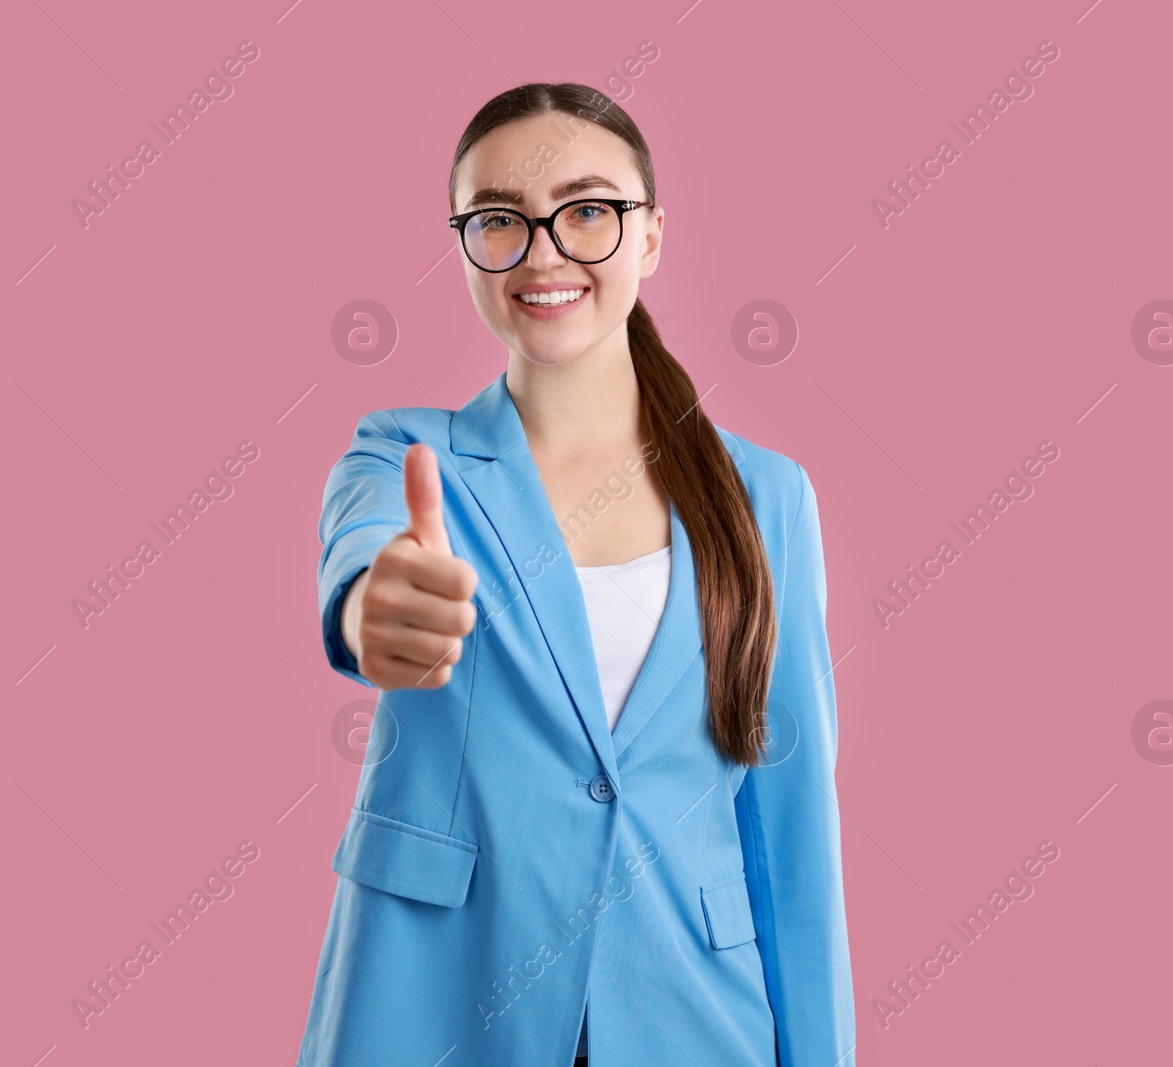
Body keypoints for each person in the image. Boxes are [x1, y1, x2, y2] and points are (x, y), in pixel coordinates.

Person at [298, 82, 855, 1067]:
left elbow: (792, 817)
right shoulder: (399, 457)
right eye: (500, 220)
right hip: (438, 999)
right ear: (464, 245)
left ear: (648, 236)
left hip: (694, 1009)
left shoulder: (768, 496)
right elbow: (366, 558)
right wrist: (374, 607)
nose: (543, 251)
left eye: (588, 211)